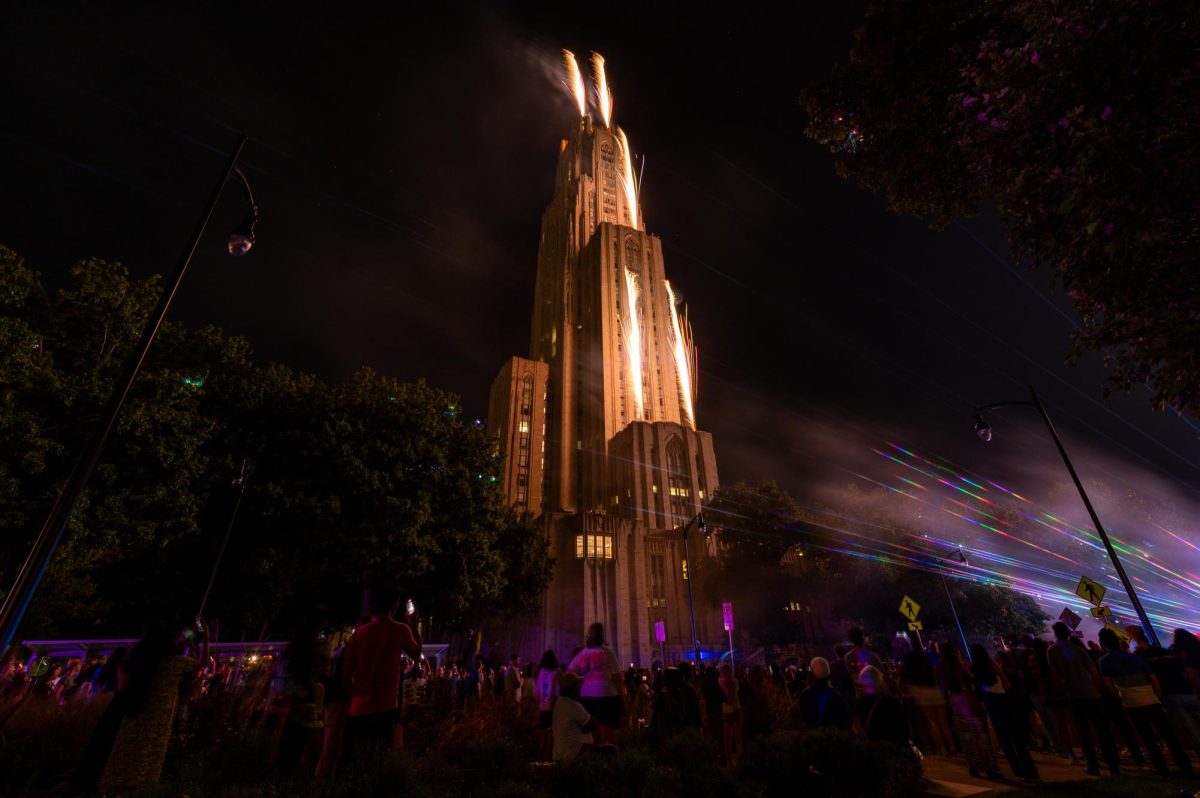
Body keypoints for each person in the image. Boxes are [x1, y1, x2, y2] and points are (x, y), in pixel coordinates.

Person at [341, 585, 423, 758]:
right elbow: (416, 653)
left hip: (357, 707)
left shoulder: (360, 633)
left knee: (356, 760)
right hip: (384, 707)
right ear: (393, 605)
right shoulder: (400, 630)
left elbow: (346, 670)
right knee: (378, 758)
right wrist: (414, 624)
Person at [1097, 627, 1192, 776]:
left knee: (1148, 736)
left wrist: (1119, 697)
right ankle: (1184, 765)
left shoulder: (1104, 661)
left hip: (1132, 703)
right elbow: (1153, 678)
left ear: (1103, 643)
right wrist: (1157, 695)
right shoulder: (1135, 658)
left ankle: (1161, 767)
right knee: (1168, 734)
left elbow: (1108, 683)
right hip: (1151, 699)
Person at [1047, 622, 1120, 776]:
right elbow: (1093, 671)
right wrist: (1098, 689)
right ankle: (1114, 765)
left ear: (1055, 634)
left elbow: (1055, 674)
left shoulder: (1052, 651)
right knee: (1103, 729)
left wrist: (1064, 686)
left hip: (1074, 695)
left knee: (1084, 731)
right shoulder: (1079, 649)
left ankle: (1093, 765)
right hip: (1091, 693)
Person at [971, 644, 1039, 780]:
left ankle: (1017, 769)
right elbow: (1007, 684)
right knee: (1016, 736)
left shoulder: (975, 671)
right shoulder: (994, 667)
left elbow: (977, 692)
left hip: (991, 702)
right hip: (1003, 699)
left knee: (1005, 738)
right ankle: (1030, 770)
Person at [939, 640, 1000, 780]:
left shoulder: (942, 667)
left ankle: (975, 766)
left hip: (955, 699)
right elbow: (971, 680)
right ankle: (990, 766)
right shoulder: (958, 665)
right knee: (981, 733)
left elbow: (944, 685)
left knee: (967, 736)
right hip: (968, 698)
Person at [566, 622, 624, 745]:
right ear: (602, 635)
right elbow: (618, 677)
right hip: (607, 696)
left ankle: (596, 760)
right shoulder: (607, 652)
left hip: (587, 697)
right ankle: (609, 760)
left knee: (593, 735)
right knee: (609, 737)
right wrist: (622, 698)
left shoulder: (583, 653)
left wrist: (583, 680)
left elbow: (569, 672)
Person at [854, 665, 909, 746]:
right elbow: (904, 730)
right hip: (893, 748)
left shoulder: (860, 704)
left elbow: (858, 729)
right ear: (879, 680)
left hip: (873, 748)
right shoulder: (893, 702)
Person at [553, 672, 598, 761]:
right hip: (573, 753)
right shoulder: (572, 705)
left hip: (563, 752)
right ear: (571, 687)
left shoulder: (559, 703)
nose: (580, 687)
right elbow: (593, 725)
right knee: (610, 751)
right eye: (578, 684)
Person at [799, 657, 852, 730]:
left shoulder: (805, 695)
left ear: (812, 675)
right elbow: (846, 722)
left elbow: (803, 719)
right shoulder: (838, 697)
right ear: (829, 675)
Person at [533, 650, 561, 762]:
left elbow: (537, 690)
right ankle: (548, 760)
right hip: (552, 707)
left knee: (542, 735)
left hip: (542, 707)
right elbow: (556, 691)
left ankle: (540, 760)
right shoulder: (555, 672)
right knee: (551, 735)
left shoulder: (541, 672)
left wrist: (538, 704)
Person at [843, 628, 881, 695]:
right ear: (862, 638)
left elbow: (849, 677)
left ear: (851, 640)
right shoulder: (873, 656)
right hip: (874, 693)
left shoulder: (847, 657)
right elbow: (881, 674)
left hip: (857, 695)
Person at [719, 663, 743, 763]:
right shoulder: (721, 682)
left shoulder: (734, 682)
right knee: (727, 737)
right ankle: (729, 759)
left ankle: (739, 758)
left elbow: (730, 698)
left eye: (727, 672)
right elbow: (730, 697)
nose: (726, 674)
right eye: (724, 673)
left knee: (737, 736)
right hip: (728, 711)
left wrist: (726, 687)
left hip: (735, 710)